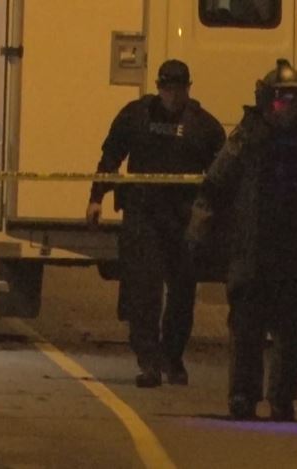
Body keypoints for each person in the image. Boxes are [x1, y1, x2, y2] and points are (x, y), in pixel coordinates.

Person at [187, 59, 297, 421]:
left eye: (293, 102)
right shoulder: (246, 140)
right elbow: (213, 188)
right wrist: (197, 233)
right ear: (266, 101)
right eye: (280, 102)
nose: (286, 110)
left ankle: (283, 398)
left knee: (292, 334)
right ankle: (242, 396)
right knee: (246, 330)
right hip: (252, 252)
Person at [86, 59, 226, 388]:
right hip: (143, 216)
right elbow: (111, 157)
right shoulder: (136, 116)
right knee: (144, 292)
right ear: (159, 87)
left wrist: (216, 217)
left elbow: (221, 175)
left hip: (183, 220)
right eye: (167, 89)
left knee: (182, 295)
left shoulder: (204, 126)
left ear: (188, 89)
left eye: (179, 89)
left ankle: (172, 357)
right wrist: (96, 197)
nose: (173, 96)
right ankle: (149, 362)